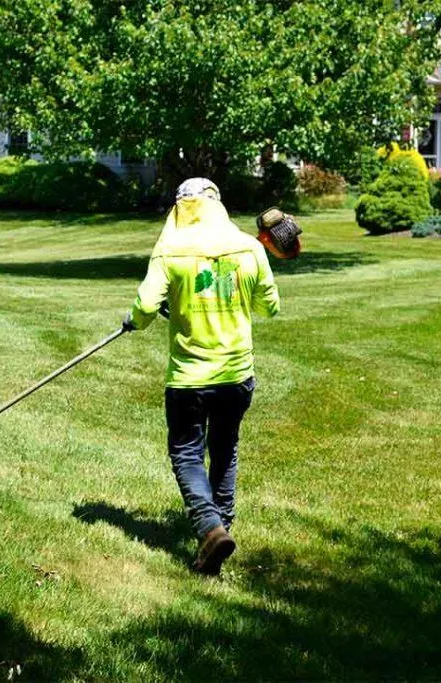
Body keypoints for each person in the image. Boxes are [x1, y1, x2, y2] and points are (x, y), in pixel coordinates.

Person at [122, 178, 280, 577]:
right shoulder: (250, 247)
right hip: (236, 373)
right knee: (224, 448)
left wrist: (135, 320)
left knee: (187, 452)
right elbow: (269, 306)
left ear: (180, 208)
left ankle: (210, 528)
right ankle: (221, 529)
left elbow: (144, 307)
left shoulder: (170, 249)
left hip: (189, 378)